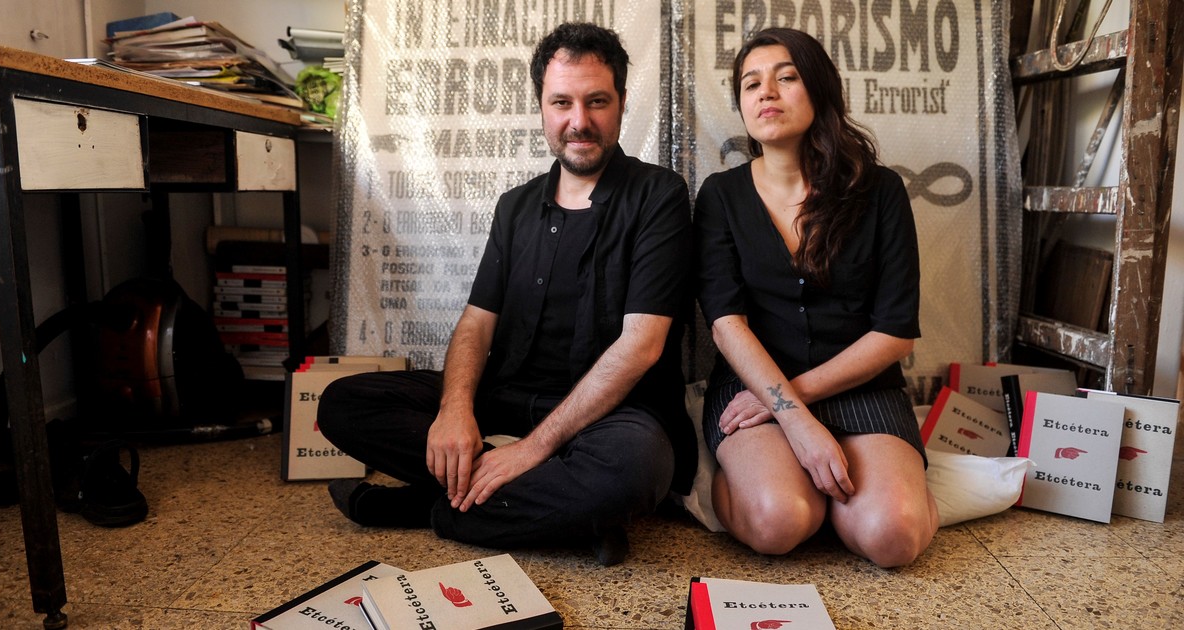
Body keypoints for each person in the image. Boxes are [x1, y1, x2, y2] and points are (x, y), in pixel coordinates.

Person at [317, 22, 696, 566]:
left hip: (611, 417)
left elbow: (642, 345)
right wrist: (455, 411)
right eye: (561, 102)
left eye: (596, 101)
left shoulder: (660, 195)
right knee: (343, 403)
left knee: (632, 471)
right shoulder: (514, 207)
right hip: (505, 399)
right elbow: (476, 323)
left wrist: (532, 449)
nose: (579, 121)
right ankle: (559, 513)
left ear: (621, 104)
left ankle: (431, 507)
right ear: (541, 106)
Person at [693, 27, 938, 568]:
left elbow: (894, 333)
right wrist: (792, 418)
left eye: (786, 77)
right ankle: (767, 488)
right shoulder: (721, 196)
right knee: (780, 521)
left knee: (892, 537)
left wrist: (793, 400)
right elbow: (727, 324)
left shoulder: (881, 191)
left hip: (863, 388)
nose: (766, 92)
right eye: (751, 84)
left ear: (820, 88)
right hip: (754, 387)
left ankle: (872, 500)